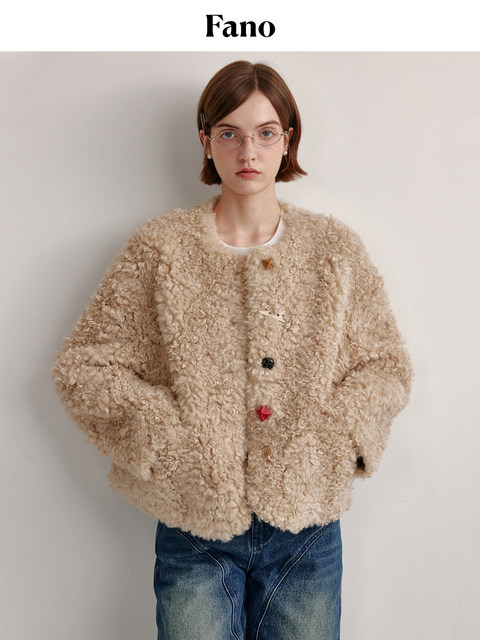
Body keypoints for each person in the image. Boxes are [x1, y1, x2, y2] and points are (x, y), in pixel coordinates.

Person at [52, 60, 414, 640]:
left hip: (306, 528)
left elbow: (385, 367)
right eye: (230, 133)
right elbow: (85, 368)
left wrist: (331, 441)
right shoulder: (161, 249)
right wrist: (167, 439)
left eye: (266, 132)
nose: (248, 151)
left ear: (287, 139)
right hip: (194, 526)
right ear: (206, 140)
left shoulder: (333, 250)